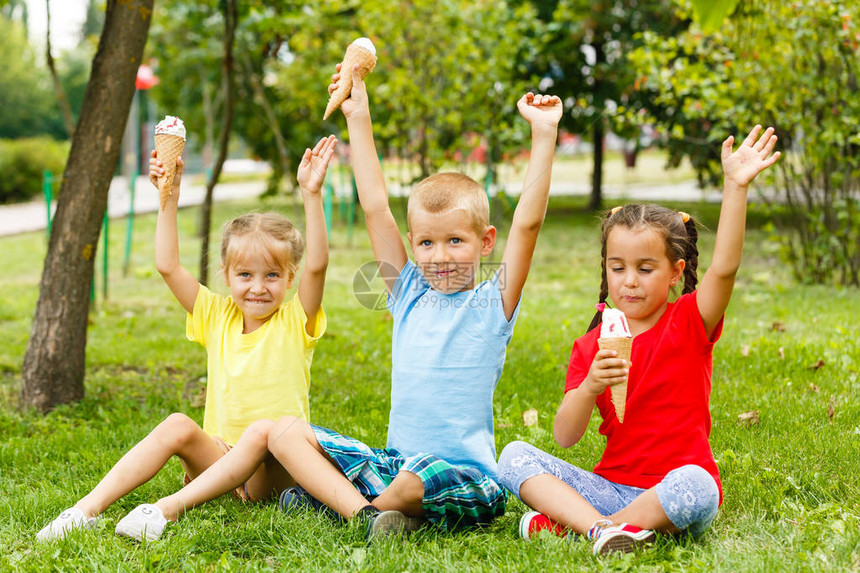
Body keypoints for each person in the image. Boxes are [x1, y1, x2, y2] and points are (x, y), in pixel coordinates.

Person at [265, 64, 563, 539]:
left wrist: (543, 135)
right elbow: (375, 207)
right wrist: (358, 116)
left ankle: (346, 505)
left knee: (415, 479)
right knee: (283, 432)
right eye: (425, 244)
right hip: (393, 464)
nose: (439, 256)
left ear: (486, 242)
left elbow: (527, 224)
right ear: (411, 242)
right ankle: (372, 517)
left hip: (465, 480)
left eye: (455, 242)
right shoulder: (407, 294)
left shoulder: (494, 302)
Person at [37, 135, 338, 542]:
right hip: (221, 465)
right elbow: (167, 265)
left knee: (266, 430)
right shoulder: (216, 314)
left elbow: (317, 266)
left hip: (276, 469)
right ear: (226, 275)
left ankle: (167, 511)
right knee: (178, 423)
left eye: (272, 275)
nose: (258, 287)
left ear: (290, 277)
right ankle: (83, 510)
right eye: (244, 275)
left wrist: (311, 195)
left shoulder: (296, 318)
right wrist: (168, 198)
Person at [497, 126, 781, 555]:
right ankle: (606, 529)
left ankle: (588, 527)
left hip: (674, 491)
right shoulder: (591, 345)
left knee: (700, 484)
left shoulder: (688, 321)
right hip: (609, 487)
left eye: (645, 269)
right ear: (606, 269)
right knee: (514, 456)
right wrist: (590, 385)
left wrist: (735, 187)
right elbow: (564, 436)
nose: (629, 282)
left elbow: (724, 269)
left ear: (675, 273)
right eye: (618, 268)